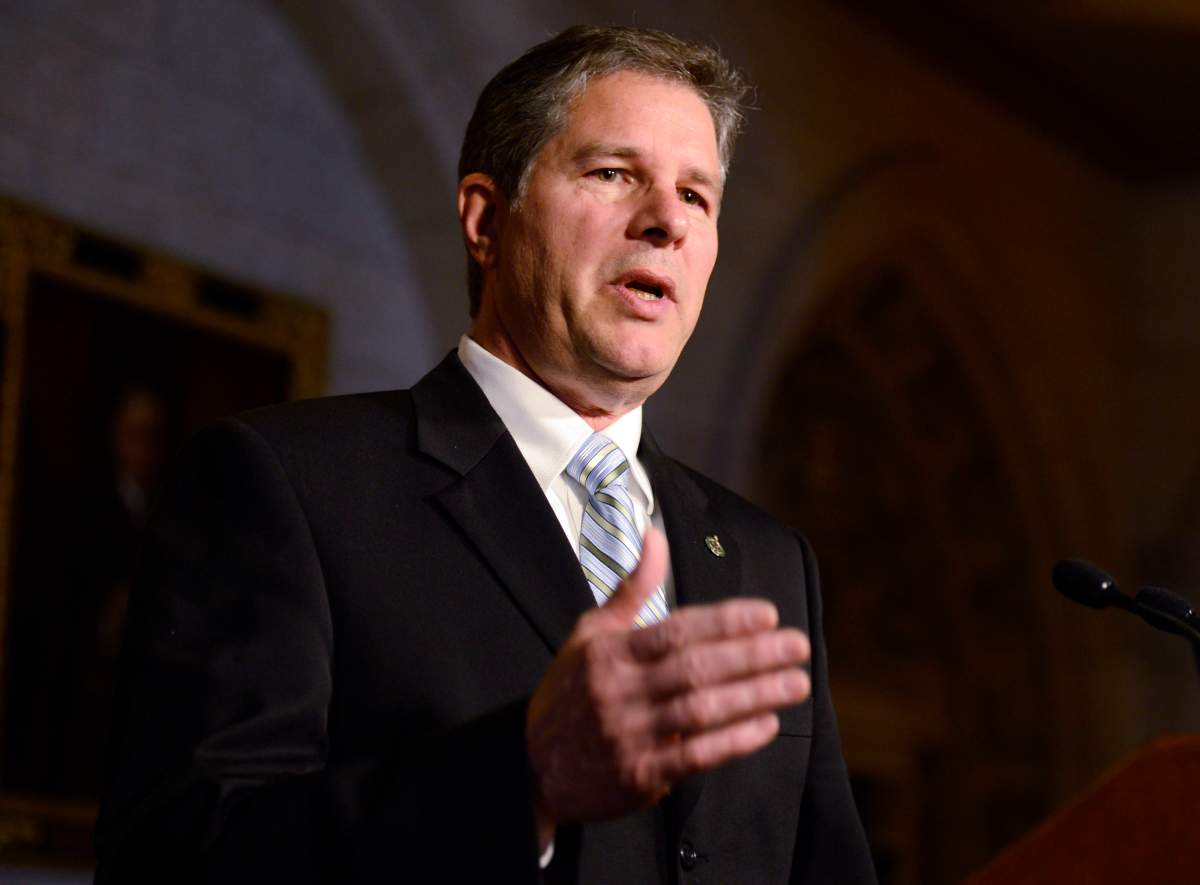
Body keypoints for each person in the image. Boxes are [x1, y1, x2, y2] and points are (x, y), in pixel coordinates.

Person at [97, 25, 876, 884]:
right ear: (485, 219)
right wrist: (524, 776)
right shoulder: (285, 485)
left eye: (697, 195)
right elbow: (175, 860)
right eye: (614, 173)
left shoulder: (769, 559)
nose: (666, 222)